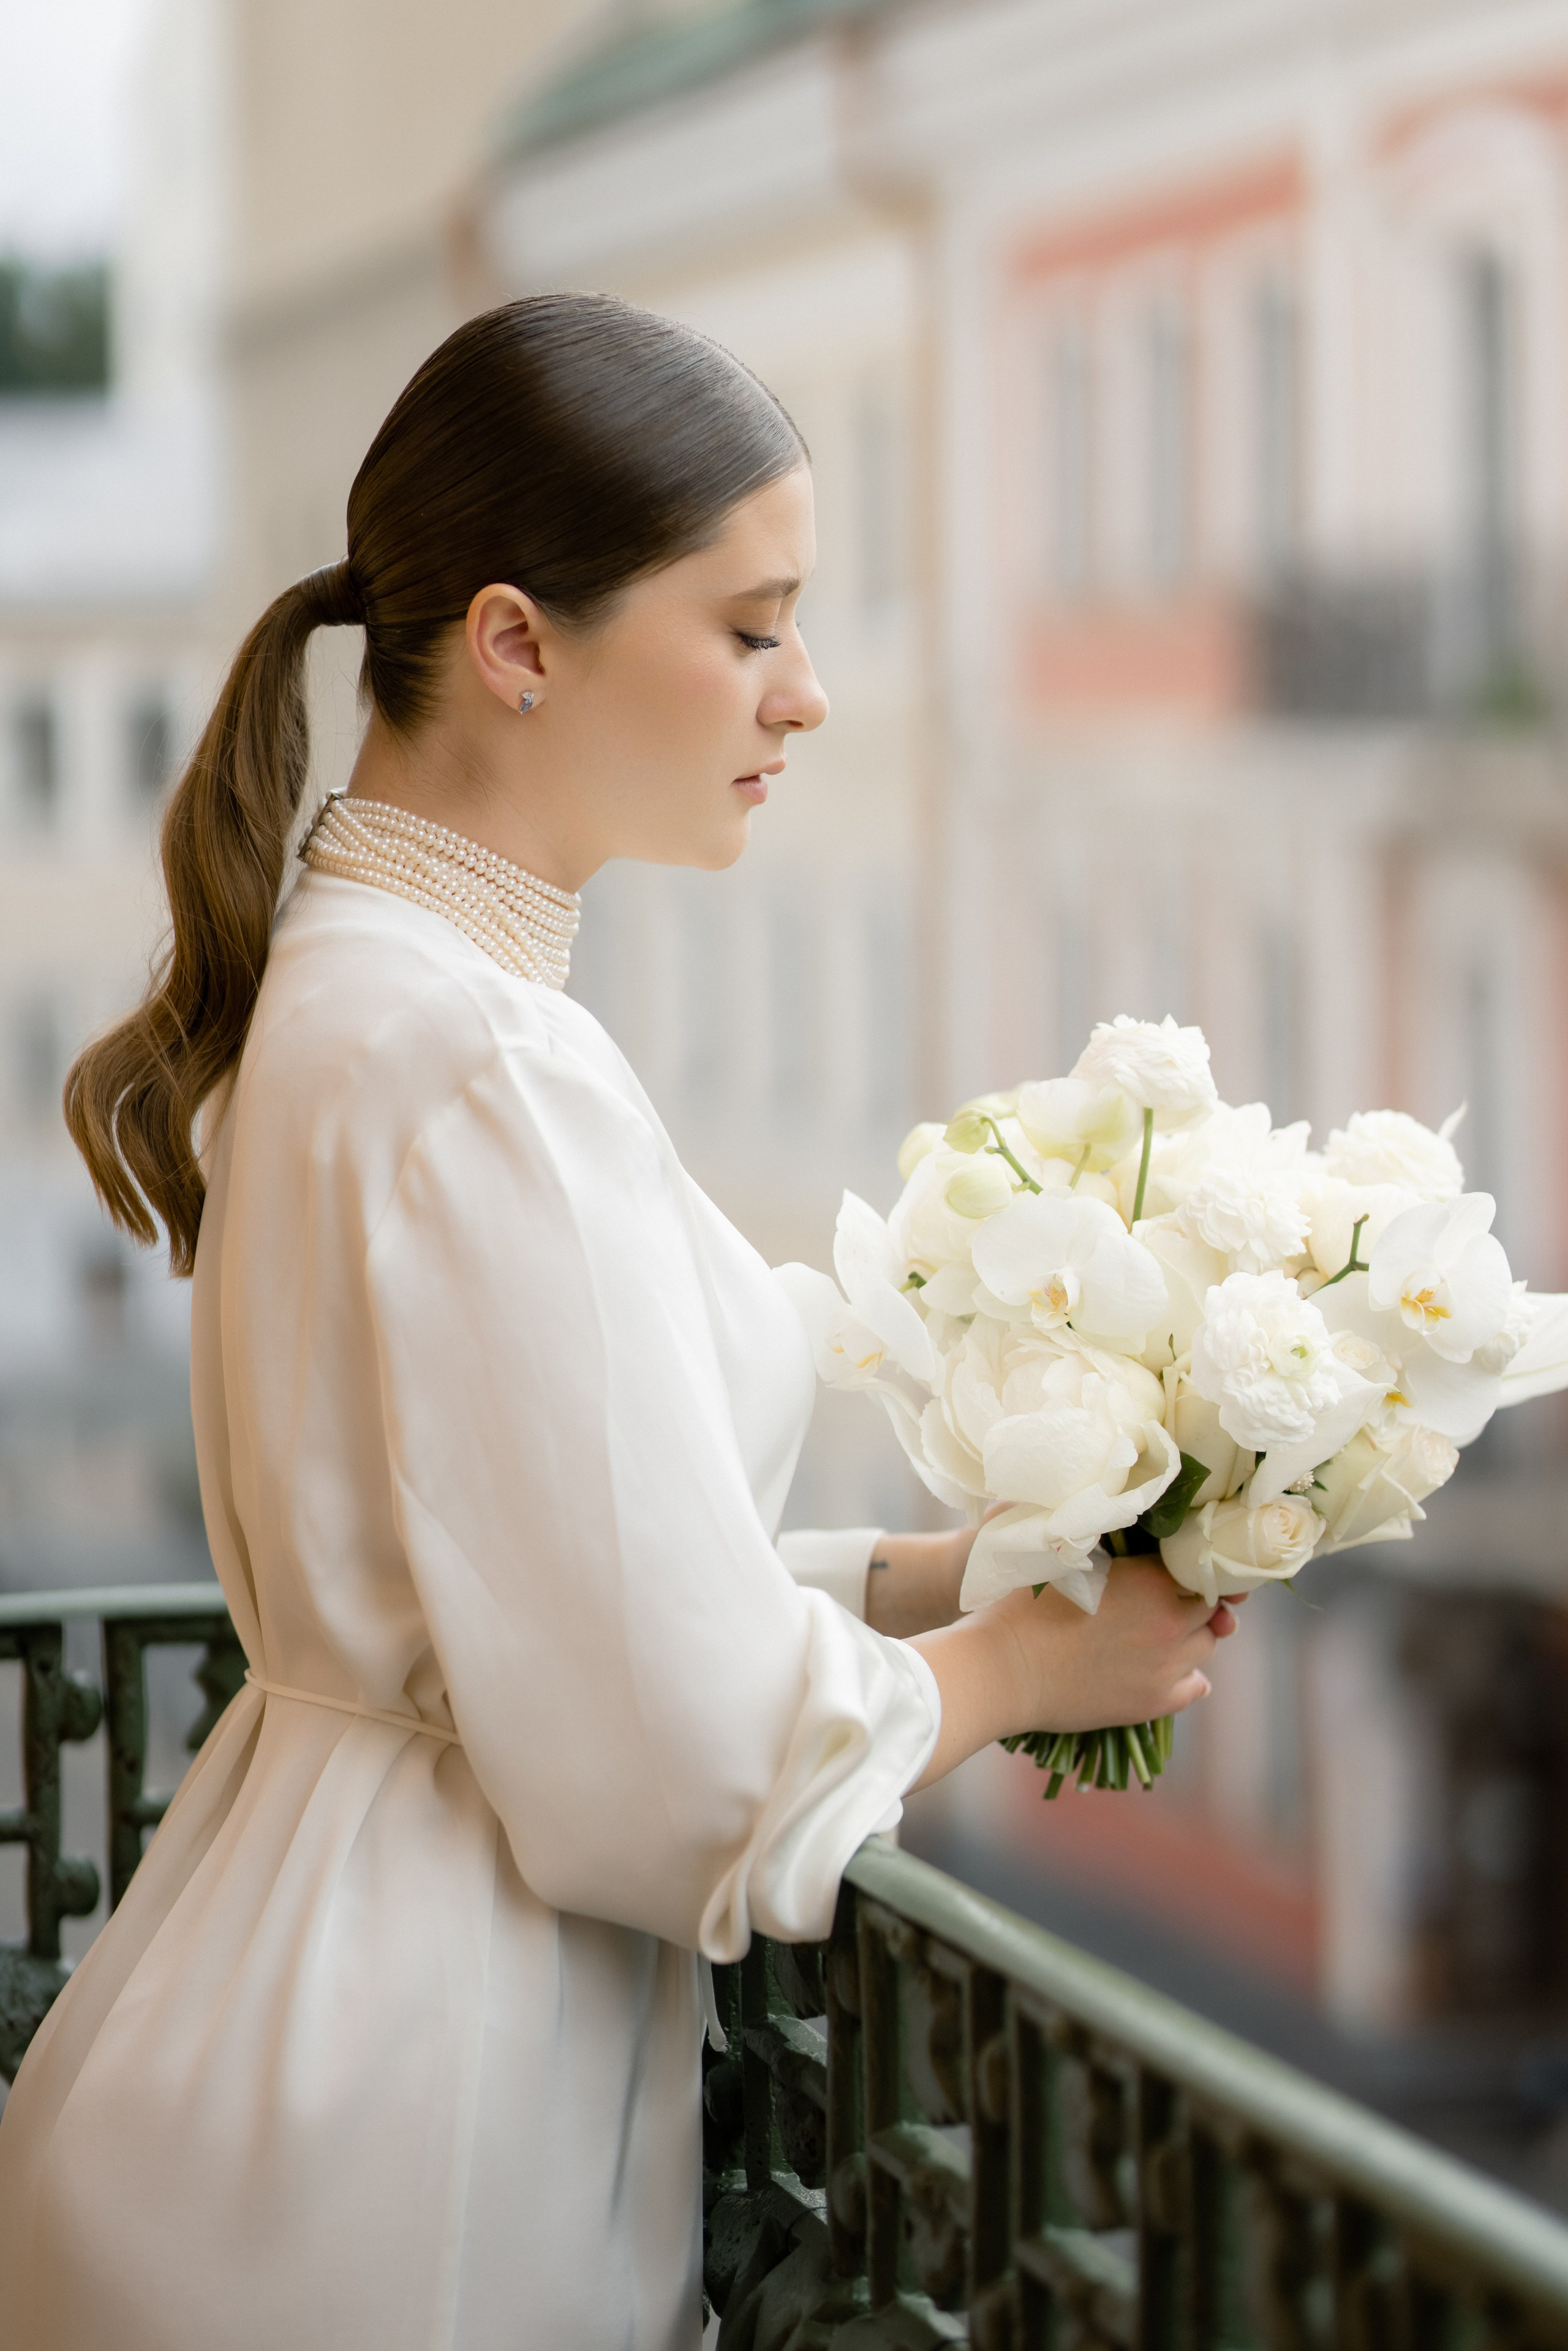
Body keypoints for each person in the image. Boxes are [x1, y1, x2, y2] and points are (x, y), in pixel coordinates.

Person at [0, 294, 1233, 2350]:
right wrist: (1018, 1661)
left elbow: (540, 1568)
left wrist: (928, 1571)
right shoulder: (481, 1057)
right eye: (752, 629)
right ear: (516, 641)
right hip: (403, 2145)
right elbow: (659, 1743)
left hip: (277, 2043)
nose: (809, 694)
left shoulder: (365, 980)